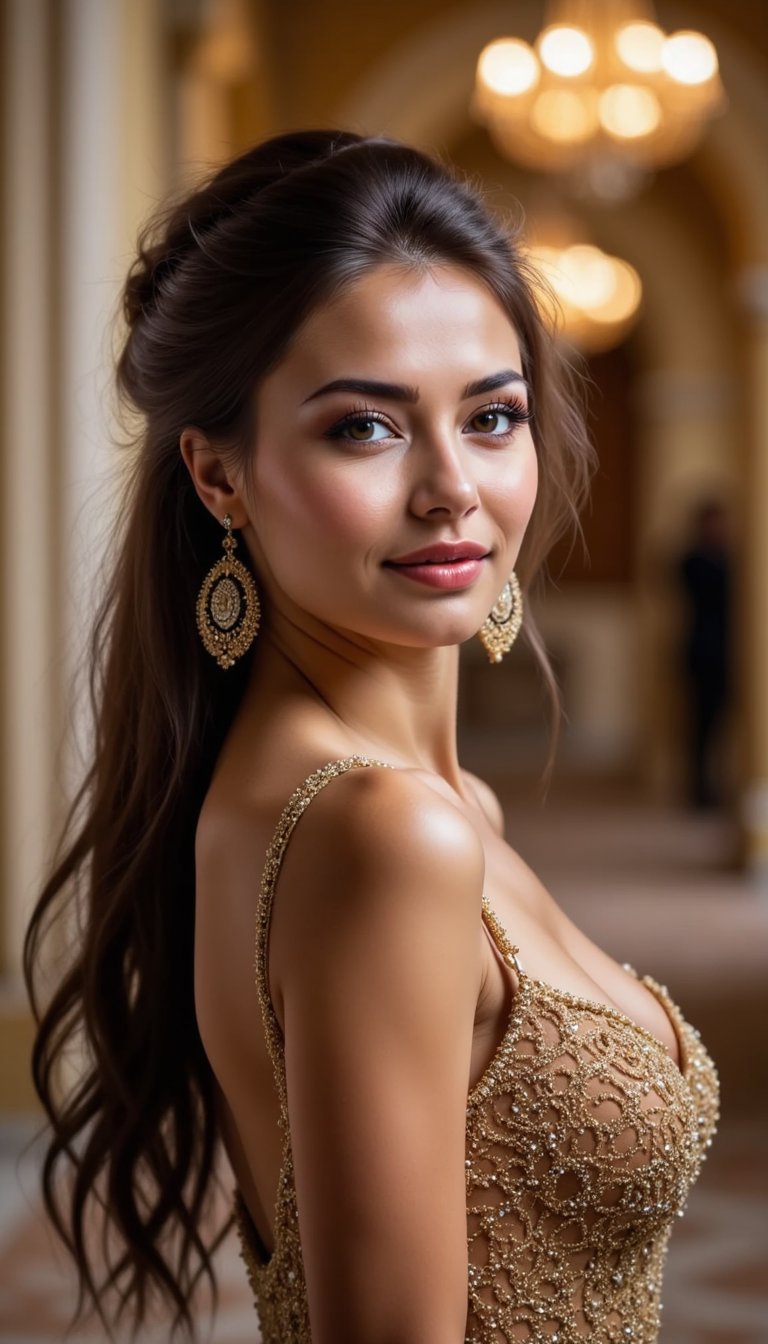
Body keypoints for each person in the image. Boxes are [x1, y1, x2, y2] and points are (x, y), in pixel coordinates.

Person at [23, 130, 719, 1344]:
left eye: (492, 417)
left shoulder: (411, 806)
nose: (453, 485)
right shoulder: (380, 832)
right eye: (366, 428)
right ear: (219, 477)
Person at [676, 498, 733, 808]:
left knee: (722, 727)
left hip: (728, 656)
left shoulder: (731, 559)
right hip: (702, 655)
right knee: (700, 727)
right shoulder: (693, 561)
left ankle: (719, 786)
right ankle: (699, 790)